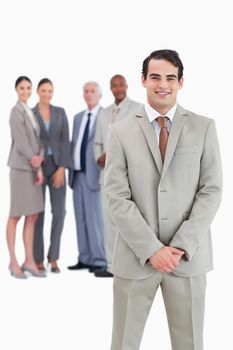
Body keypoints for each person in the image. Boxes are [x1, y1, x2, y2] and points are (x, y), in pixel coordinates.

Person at [104, 50, 223, 350]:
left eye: (171, 78)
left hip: (187, 260)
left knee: (190, 344)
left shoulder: (203, 127)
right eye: (155, 77)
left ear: (181, 82)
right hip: (135, 258)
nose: (163, 84)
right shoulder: (120, 132)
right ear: (143, 80)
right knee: (123, 344)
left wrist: (181, 245)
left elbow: (211, 190)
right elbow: (117, 197)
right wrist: (151, 249)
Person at [94, 74, 142, 277]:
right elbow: (97, 142)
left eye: (120, 84)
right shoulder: (104, 113)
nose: (118, 88)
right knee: (108, 220)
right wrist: (99, 158)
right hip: (106, 175)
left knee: (129, 220)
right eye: (114, 85)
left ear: (127, 86)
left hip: (129, 175)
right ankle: (111, 265)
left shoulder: (138, 109)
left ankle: (132, 264)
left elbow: (140, 140)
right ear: (110, 89)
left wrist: (115, 156)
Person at [6, 76, 46, 279]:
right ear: (16, 90)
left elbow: (38, 139)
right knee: (16, 214)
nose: (25, 91)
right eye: (22, 88)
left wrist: (39, 157)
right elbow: (21, 142)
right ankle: (13, 262)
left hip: (32, 168)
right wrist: (35, 160)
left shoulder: (30, 112)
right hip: (21, 169)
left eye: (28, 88)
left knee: (33, 214)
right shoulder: (15, 111)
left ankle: (29, 260)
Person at [67, 82, 108, 276]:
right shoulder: (77, 118)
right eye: (86, 91)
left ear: (99, 95)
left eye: (92, 91)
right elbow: (74, 144)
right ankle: (85, 257)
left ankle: (100, 259)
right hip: (77, 174)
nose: (89, 94)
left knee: (95, 219)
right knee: (80, 218)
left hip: (95, 175)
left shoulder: (105, 116)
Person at [33, 78, 72, 273]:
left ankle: (53, 257)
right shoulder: (30, 114)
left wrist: (62, 168)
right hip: (37, 168)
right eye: (43, 90)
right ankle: (38, 258)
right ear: (37, 92)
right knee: (37, 214)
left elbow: (66, 140)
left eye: (50, 91)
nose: (47, 94)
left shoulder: (60, 112)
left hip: (57, 167)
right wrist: (36, 167)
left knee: (59, 212)